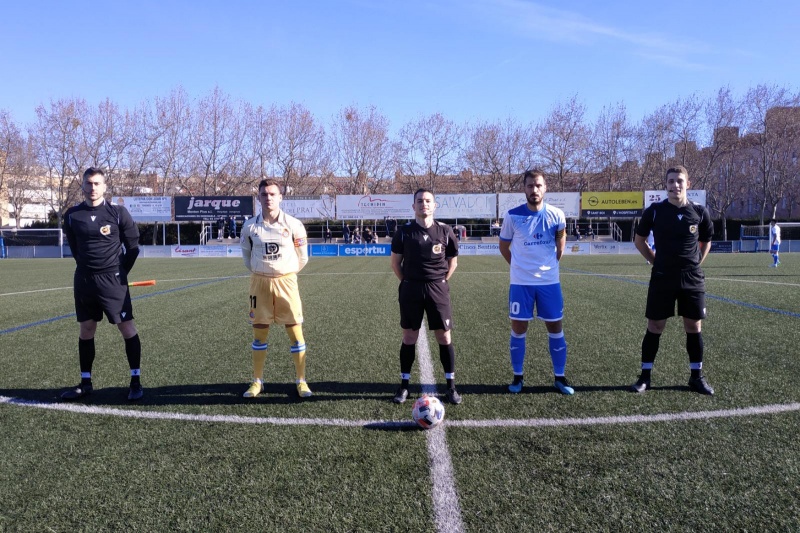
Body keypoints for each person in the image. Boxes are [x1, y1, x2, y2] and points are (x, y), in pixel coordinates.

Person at [630, 165, 715, 395]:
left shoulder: (699, 212)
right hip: (663, 276)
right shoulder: (655, 211)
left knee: (693, 326)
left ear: (688, 184)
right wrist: (655, 261)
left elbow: (707, 241)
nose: (675, 185)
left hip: (692, 278)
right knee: (655, 326)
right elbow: (639, 241)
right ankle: (645, 377)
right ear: (665, 185)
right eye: (670, 181)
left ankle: (696, 377)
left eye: (679, 181)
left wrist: (696, 262)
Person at [61, 167, 144, 401]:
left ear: (105, 187)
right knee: (86, 329)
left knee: (126, 328)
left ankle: (135, 382)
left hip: (113, 280)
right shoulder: (72, 215)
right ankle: (85, 383)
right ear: (82, 185)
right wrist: (86, 268)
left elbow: (133, 247)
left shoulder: (117, 213)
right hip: (84, 280)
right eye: (88, 183)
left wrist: (120, 273)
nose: (92, 188)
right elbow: (75, 248)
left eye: (97, 183)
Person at [499, 170, 574, 395]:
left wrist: (550, 266)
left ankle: (560, 377)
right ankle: (518, 377)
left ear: (545, 188)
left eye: (538, 185)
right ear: (524, 188)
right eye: (530, 186)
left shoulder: (557, 215)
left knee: (555, 326)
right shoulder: (512, 216)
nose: (534, 190)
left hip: (549, 283)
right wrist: (518, 267)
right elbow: (504, 247)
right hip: (521, 283)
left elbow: (561, 244)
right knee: (518, 328)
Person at [240, 179, 312, 398]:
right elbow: (246, 257)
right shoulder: (250, 226)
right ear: (259, 198)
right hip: (259, 283)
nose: (268, 198)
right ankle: (257, 381)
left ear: (280, 197)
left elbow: (303, 258)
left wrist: (284, 273)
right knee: (259, 333)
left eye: (272, 194)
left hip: (286, 282)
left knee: (295, 332)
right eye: (264, 194)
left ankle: (301, 381)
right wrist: (263, 272)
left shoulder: (294, 225)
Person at [390, 188, 462, 405]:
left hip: (437, 288)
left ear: (434, 205)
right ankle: (404, 386)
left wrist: (440, 281)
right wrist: (408, 282)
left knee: (444, 337)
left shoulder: (445, 231)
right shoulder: (404, 232)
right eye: (420, 201)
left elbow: (453, 262)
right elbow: (395, 264)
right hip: (411, 288)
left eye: (428, 201)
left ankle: (451, 387)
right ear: (414, 206)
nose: (424, 204)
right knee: (409, 337)